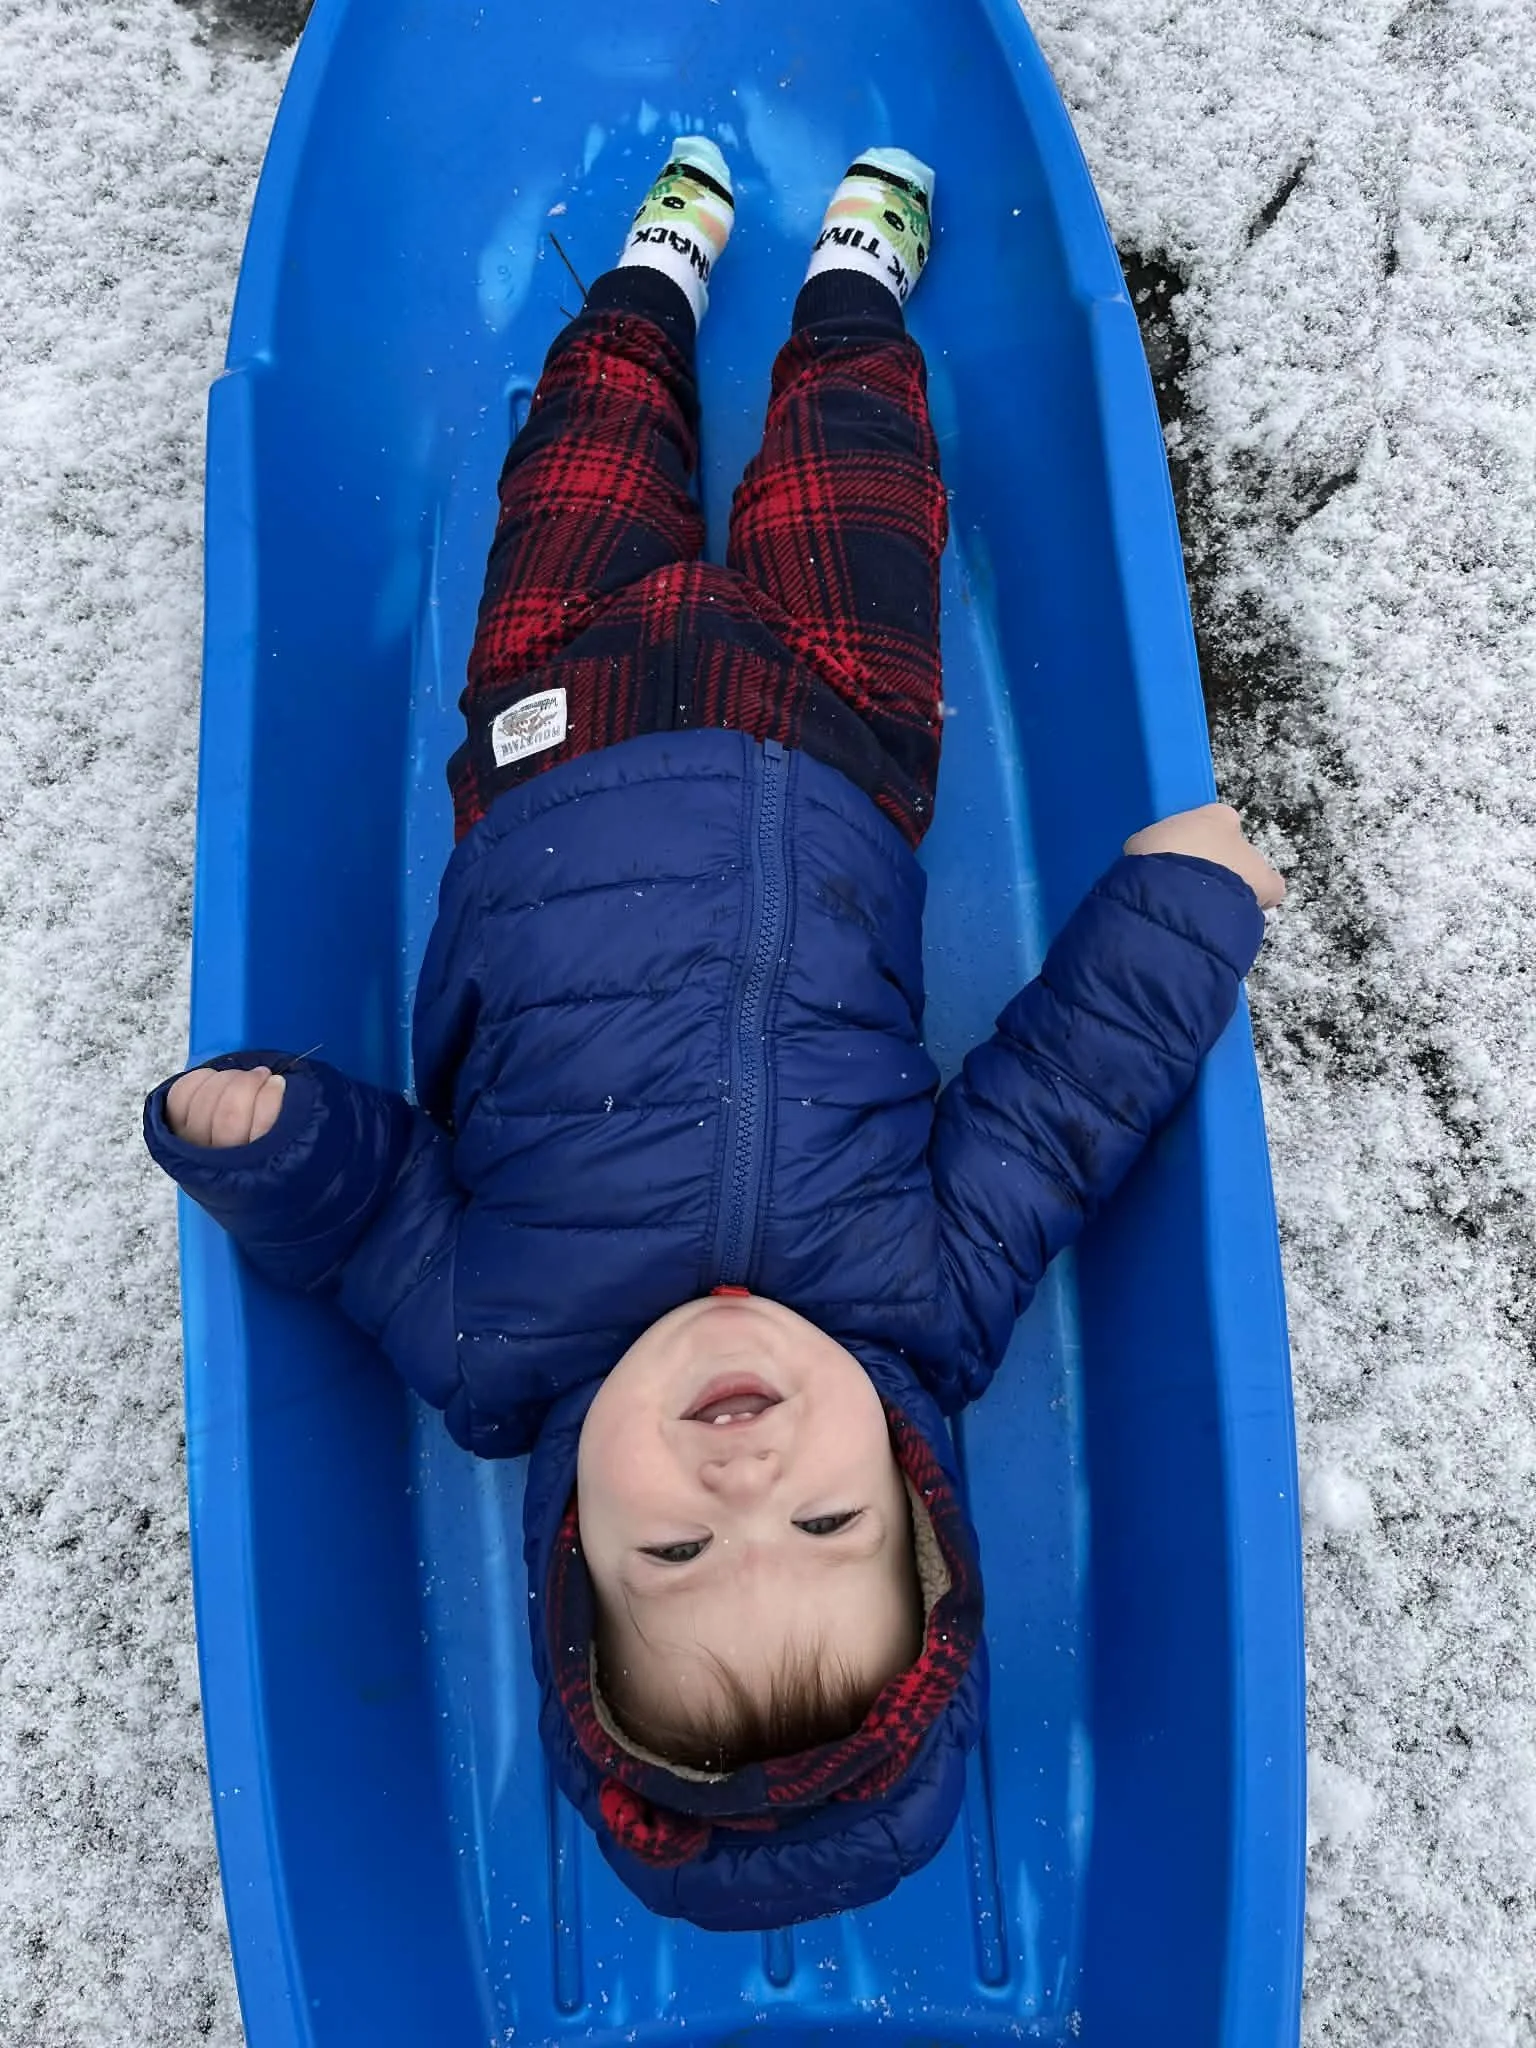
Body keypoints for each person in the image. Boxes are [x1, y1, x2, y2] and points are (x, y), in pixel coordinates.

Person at [144, 140, 1284, 1930]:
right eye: (828, 1528)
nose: (747, 1481)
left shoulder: (492, 1342)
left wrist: (264, 1144)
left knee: (583, 451)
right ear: (921, 1512)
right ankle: (849, 285)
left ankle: (652, 276)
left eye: (676, 1550)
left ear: (572, 1565)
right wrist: (1187, 913)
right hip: (834, 729)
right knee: (858, 459)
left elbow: (360, 1214)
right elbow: (1072, 1103)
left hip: (553, 718)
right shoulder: (922, 1293)